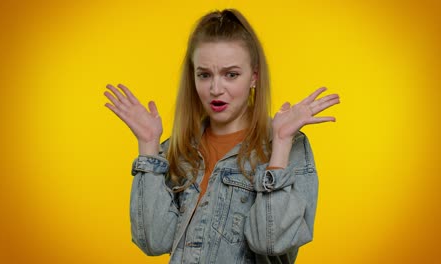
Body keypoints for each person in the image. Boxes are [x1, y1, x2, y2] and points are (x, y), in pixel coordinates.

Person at [103, 8, 339, 264]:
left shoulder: (287, 144)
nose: (216, 89)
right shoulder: (177, 149)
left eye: (231, 75)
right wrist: (148, 147)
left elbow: (271, 242)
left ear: (254, 76)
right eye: (204, 75)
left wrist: (280, 146)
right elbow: (154, 242)